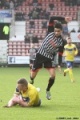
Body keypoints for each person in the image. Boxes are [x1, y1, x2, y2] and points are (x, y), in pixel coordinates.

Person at [29, 16, 70, 100]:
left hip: (49, 58)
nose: (56, 32)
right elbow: (51, 18)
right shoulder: (50, 31)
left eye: (58, 31)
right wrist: (63, 19)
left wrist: (59, 64)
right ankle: (32, 81)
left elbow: (60, 53)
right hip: (40, 55)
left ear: (61, 31)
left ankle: (47, 90)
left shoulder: (62, 41)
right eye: (55, 30)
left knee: (53, 76)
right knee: (32, 76)